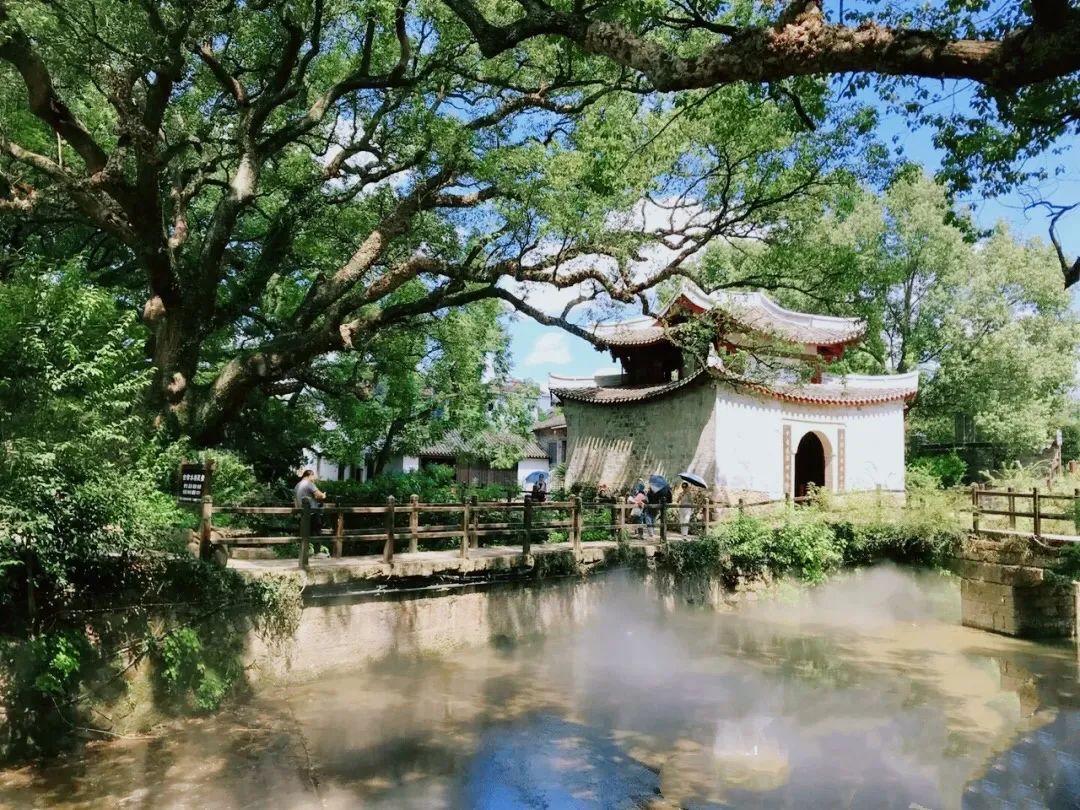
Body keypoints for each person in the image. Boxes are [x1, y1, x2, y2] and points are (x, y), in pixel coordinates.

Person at [294, 469, 326, 534]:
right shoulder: (309, 483)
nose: (313, 479)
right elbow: (319, 495)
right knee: (315, 534)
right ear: (310, 475)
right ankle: (316, 544)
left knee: (304, 534)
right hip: (311, 514)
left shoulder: (297, 485)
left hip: (301, 513)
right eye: (313, 477)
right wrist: (323, 495)